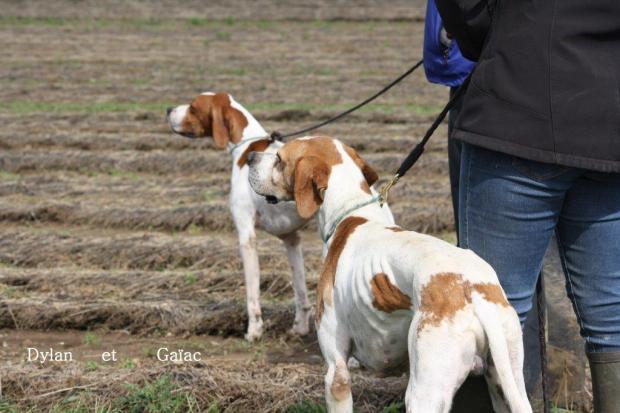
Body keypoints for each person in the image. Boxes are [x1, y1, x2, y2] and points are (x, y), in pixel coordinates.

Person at [434, 0, 620, 411]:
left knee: (487, 313)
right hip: (610, 124)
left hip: (518, 107)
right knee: (612, 319)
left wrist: (502, 36)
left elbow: (465, 7)